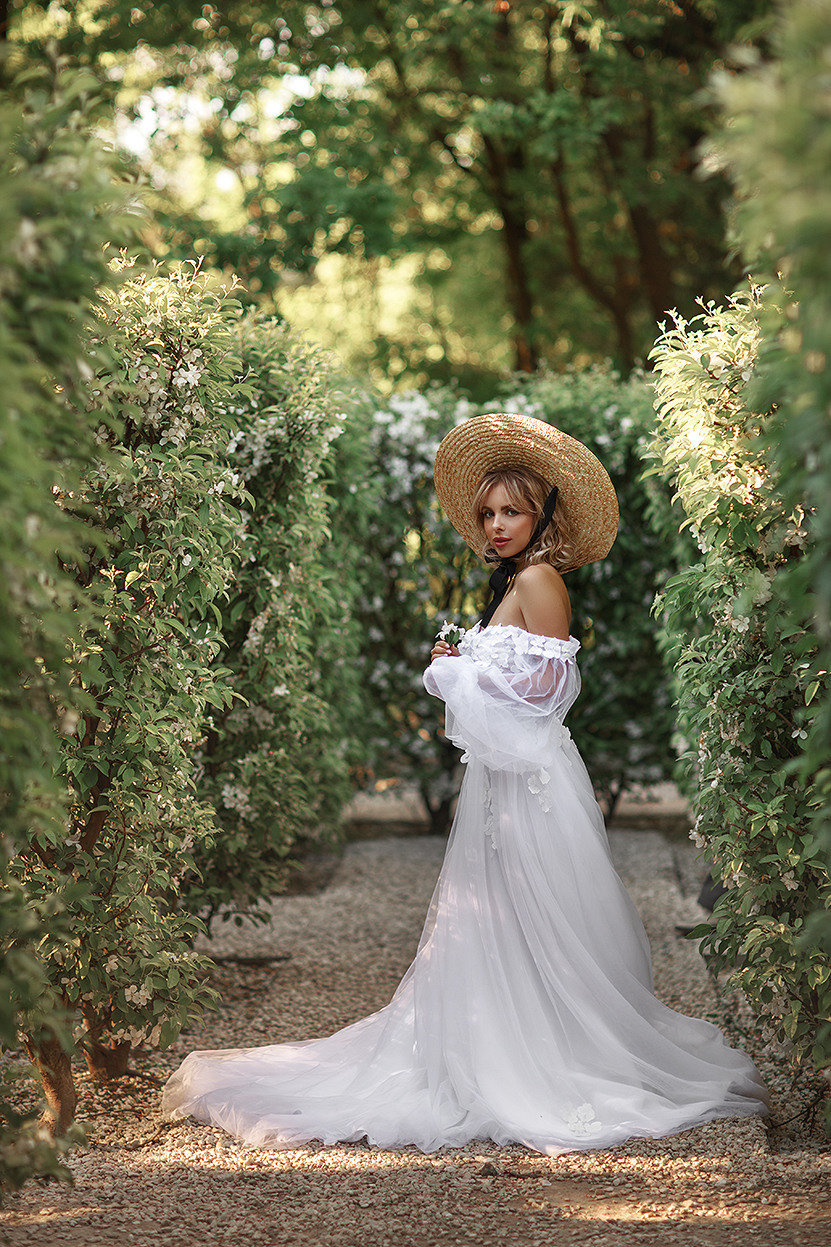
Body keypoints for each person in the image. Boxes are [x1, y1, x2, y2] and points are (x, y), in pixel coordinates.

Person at [162, 412, 768, 1154]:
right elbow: (515, 681)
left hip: (530, 780)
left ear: (543, 514)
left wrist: (457, 676)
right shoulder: (514, 581)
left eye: (512, 511)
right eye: (488, 514)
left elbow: (548, 692)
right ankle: (493, 1040)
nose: (497, 524)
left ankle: (545, 1056)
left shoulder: (539, 579)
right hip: (502, 780)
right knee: (495, 912)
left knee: (536, 908)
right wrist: (461, 666)